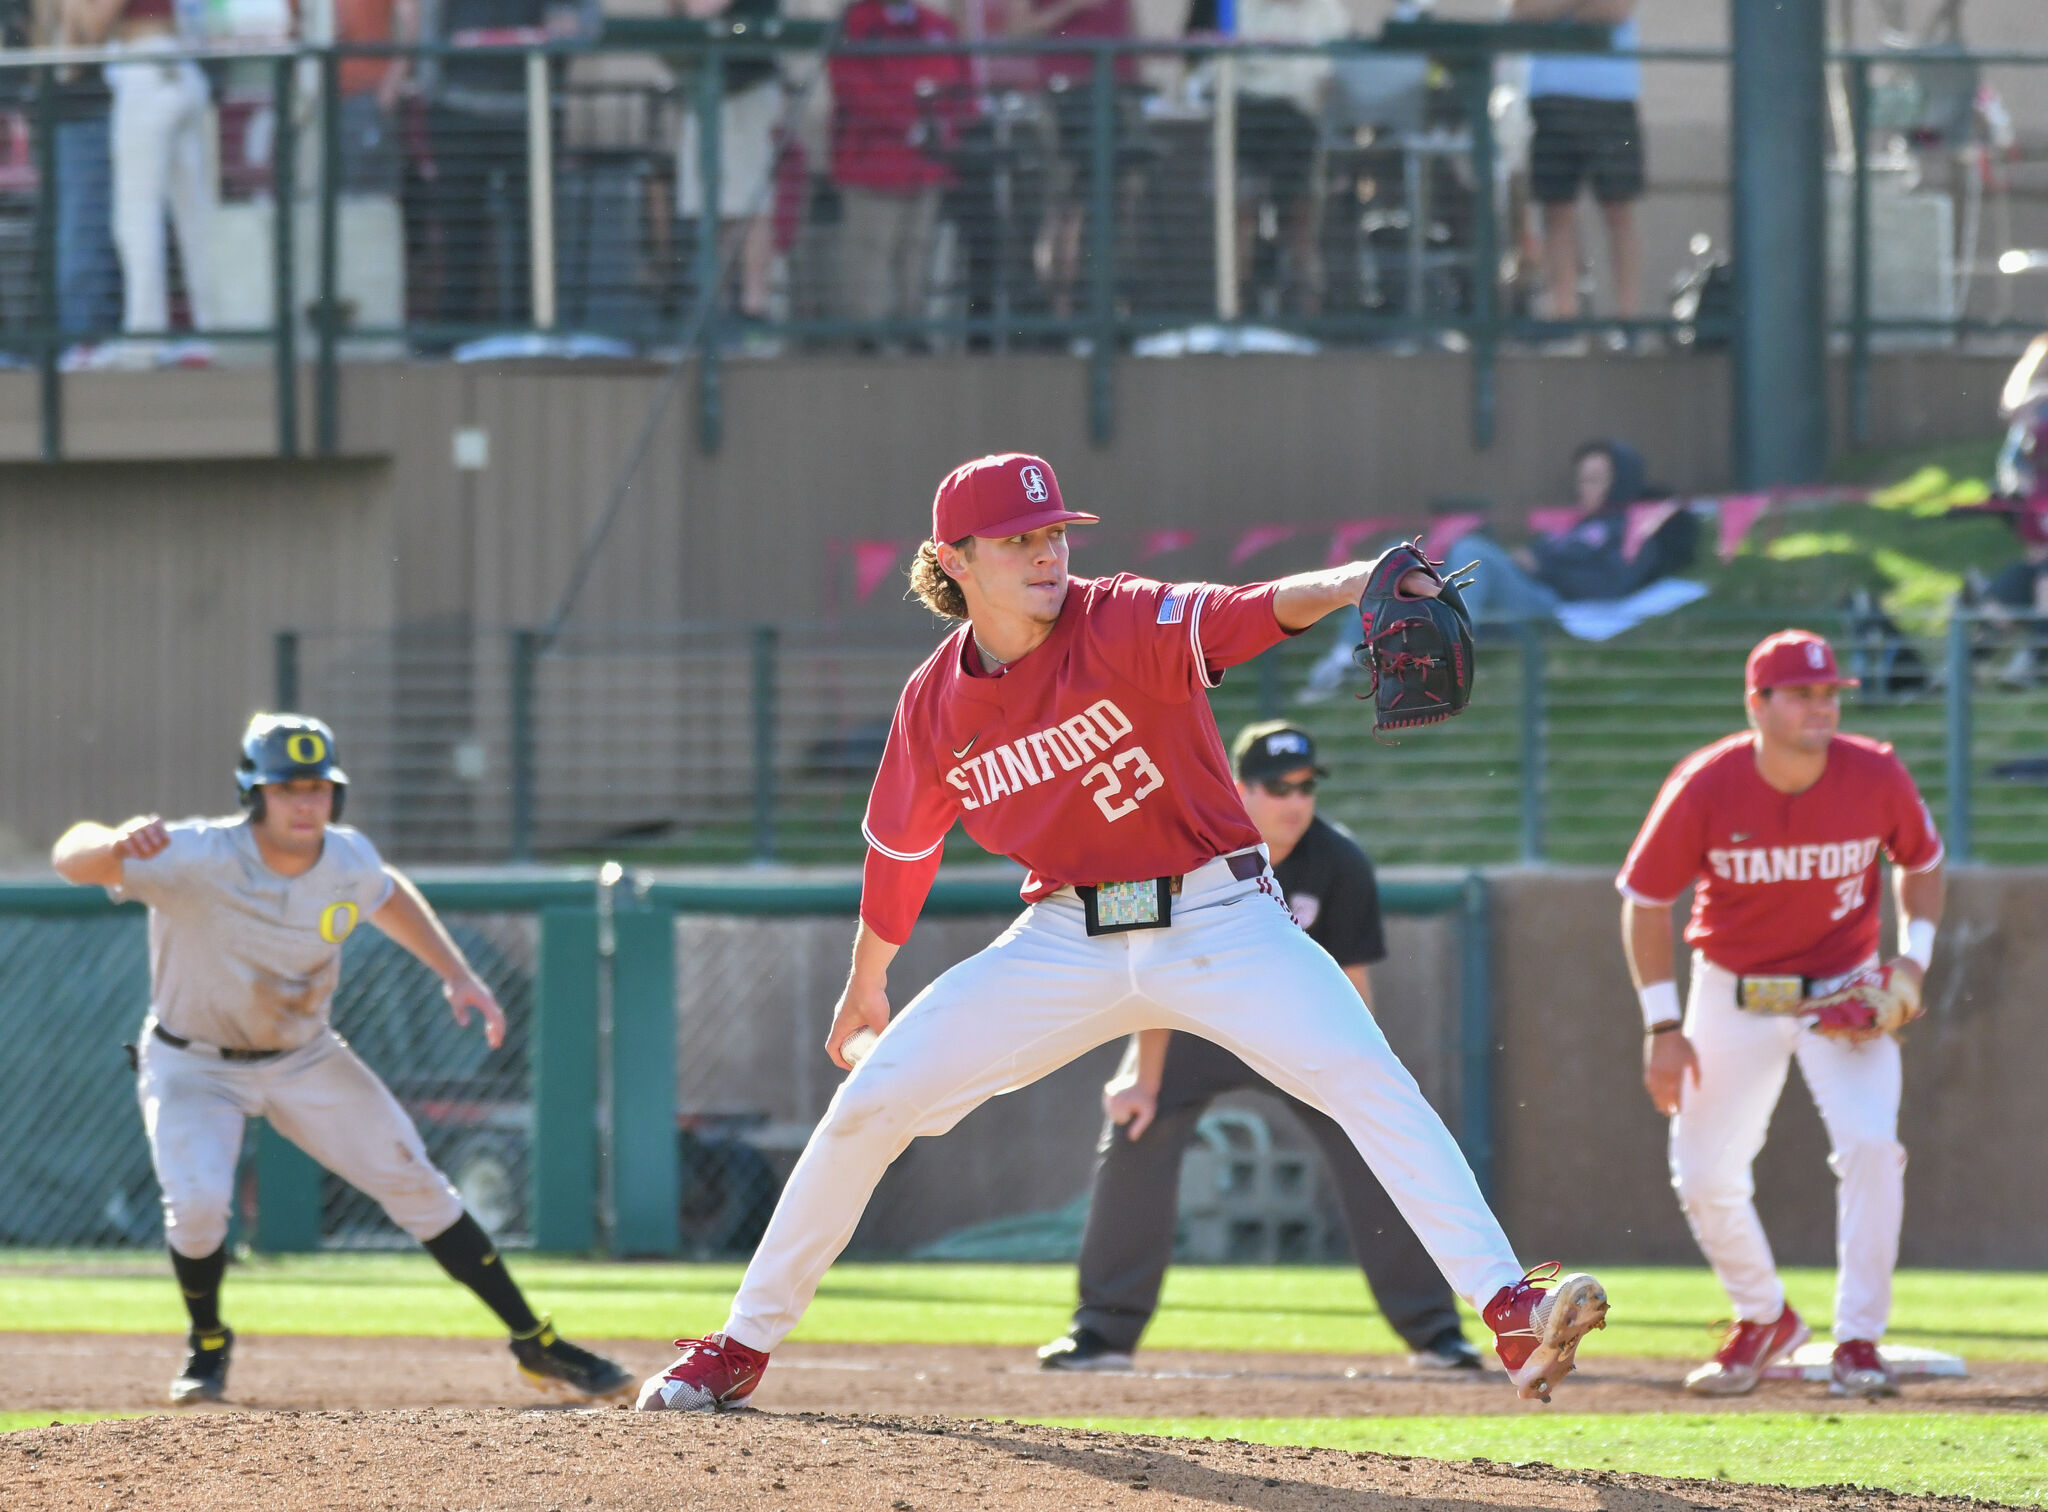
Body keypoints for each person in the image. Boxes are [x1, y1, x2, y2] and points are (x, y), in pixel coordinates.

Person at [636, 451, 1608, 1412]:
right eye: (1018, 540)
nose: (1047, 552)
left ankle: (1509, 1308)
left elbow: (1262, 602)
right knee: (870, 1104)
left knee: (1363, 1074)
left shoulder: (1124, 615)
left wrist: (1360, 580)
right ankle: (740, 1344)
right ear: (954, 559)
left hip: (1218, 916)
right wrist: (866, 982)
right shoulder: (934, 702)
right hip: (1065, 935)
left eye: (1055, 531)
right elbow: (899, 851)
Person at [49, 714, 631, 1406]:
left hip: (304, 1057)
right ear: (254, 793)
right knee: (199, 1207)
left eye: (319, 788)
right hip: (193, 1063)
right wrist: (112, 840)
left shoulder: (346, 858)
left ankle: (535, 1342)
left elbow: (384, 893)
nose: (306, 803)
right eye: (288, 788)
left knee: (417, 1182)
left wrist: (455, 972)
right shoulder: (197, 853)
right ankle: (207, 1343)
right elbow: (70, 857)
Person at [1039, 719, 1480, 1373]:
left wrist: (1365, 1080)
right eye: (1278, 787)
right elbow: (1148, 975)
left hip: (1297, 1027)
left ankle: (1435, 1330)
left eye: (1306, 787)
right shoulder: (1186, 846)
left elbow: (1353, 982)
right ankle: (1102, 1331)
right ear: (1239, 789)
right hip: (1193, 1018)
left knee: (1376, 1136)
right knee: (1138, 1128)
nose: (1295, 801)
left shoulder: (1340, 860)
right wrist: (1143, 1079)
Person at [1617, 631, 1945, 1399]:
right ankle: (1764, 1315)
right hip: (1735, 987)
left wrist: (1913, 961)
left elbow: (1922, 864)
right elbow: (1644, 903)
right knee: (1701, 1173)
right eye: (1801, 694)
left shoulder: (1875, 772)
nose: (1821, 706)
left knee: (1871, 1146)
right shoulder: (1708, 783)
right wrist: (1663, 1027)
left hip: (1844, 989)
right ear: (1756, 703)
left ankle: (1859, 1339)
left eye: (1830, 693)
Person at [828, 0, 970, 336]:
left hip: (926, 164)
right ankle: (870, 336)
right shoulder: (857, 22)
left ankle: (914, 331)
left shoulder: (935, 25)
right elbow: (854, 88)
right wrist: (910, 122)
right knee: (872, 249)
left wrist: (939, 127)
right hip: (872, 160)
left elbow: (959, 84)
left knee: (918, 247)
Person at [1509, 0, 1643, 332]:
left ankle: (1626, 323)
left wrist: (1558, 10)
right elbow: (1523, 11)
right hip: (1551, 97)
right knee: (1557, 211)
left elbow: (1616, 10)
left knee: (1618, 211)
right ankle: (1564, 320)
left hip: (1611, 97)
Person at [1453, 438, 1692, 623]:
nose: (1582, 489)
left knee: (1471, 552)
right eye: (1581, 480)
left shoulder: (1634, 531)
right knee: (1419, 550)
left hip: (1551, 603)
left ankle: (1449, 650)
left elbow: (1607, 584)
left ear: (1620, 482)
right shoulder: (1575, 522)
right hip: (1527, 585)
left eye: (1593, 480)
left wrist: (1540, 567)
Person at [1005, 0, 1134, 324]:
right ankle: (1060, 310)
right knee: (1065, 204)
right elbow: (1015, 31)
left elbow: (1130, 33)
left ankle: (1108, 305)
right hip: (1065, 100)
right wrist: (1069, 8)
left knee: (1115, 202)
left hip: (1115, 98)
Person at [1227, 0, 1348, 318]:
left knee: (1302, 220)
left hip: (1302, 133)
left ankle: (1308, 316)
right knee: (1240, 213)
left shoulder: (1328, 12)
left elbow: (1333, 79)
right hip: (1248, 123)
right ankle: (1236, 309)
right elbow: (1222, 72)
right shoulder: (1241, 10)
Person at [105, 0, 218, 337]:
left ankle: (144, 339)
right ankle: (219, 331)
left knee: (136, 218)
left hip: (145, 69)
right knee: (196, 218)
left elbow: (96, 22)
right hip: (182, 66)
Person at [672, 0, 784, 329]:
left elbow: (702, 7)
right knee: (711, 204)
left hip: (746, 89)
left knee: (753, 201)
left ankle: (754, 306)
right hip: (705, 88)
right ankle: (713, 308)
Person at [50, 0, 125, 343]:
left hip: (96, 106)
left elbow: (87, 39)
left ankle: (88, 338)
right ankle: (82, 339)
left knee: (94, 229)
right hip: (73, 111)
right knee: (80, 230)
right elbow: (68, 63)